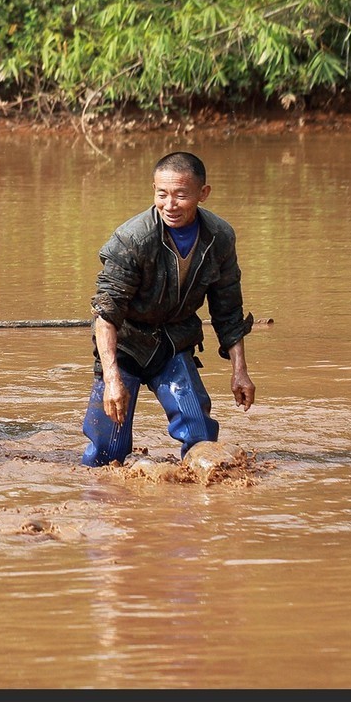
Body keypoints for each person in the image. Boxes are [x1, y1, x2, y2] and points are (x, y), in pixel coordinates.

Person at [81, 151, 256, 466]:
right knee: (108, 452)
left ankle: (198, 505)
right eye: (162, 194)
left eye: (181, 195)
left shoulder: (219, 238)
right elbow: (106, 315)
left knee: (201, 438)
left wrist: (239, 372)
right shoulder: (132, 239)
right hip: (126, 344)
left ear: (203, 194)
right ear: (153, 190)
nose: (170, 204)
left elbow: (228, 311)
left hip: (173, 342)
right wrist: (112, 379)